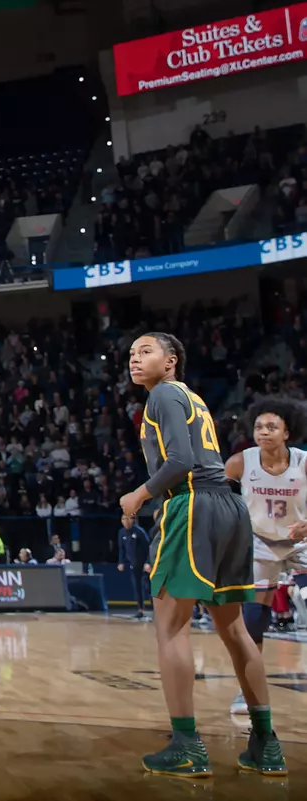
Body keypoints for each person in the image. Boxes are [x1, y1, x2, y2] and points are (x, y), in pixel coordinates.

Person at [119, 332, 284, 777]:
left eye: (145, 351)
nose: (134, 359)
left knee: (171, 629)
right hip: (229, 508)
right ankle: (266, 745)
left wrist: (138, 495)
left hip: (192, 504)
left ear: (171, 361)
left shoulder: (163, 396)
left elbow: (180, 461)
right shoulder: (190, 397)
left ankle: (187, 745)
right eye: (131, 354)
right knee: (234, 631)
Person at [224, 396, 307, 716]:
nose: (264, 432)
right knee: (253, 621)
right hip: (259, 543)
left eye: (272, 426)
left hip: (300, 543)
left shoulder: (302, 462)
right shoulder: (241, 462)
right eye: (259, 426)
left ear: (287, 432)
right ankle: (248, 693)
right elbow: (211, 493)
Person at [117, 515, 152, 620]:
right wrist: (121, 562)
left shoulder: (140, 532)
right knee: (137, 587)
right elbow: (122, 549)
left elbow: (149, 548)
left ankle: (157, 609)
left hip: (144, 564)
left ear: (134, 520)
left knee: (148, 587)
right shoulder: (121, 533)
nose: (126, 522)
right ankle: (140, 610)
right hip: (134, 564)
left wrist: (148, 562)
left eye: (128, 519)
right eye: (123, 519)